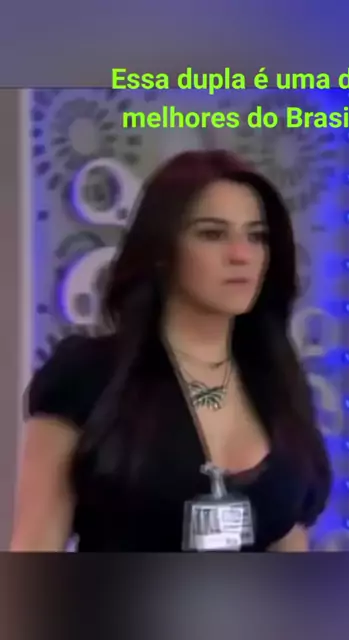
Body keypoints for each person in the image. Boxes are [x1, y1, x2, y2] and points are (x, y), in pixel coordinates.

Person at [11, 149, 331, 552]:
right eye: (212, 234)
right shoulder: (87, 374)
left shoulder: (276, 378)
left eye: (257, 237)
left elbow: (289, 537)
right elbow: (35, 546)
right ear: (162, 250)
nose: (241, 255)